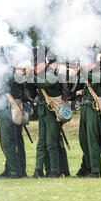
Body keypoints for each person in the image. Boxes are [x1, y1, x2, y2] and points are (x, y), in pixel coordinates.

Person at [75, 56, 101, 178]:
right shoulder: (86, 74)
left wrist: (84, 73)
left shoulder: (100, 72)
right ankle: (89, 168)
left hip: (95, 110)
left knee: (96, 140)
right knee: (84, 140)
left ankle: (96, 170)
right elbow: (75, 88)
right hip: (85, 108)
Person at [31, 48, 69, 178]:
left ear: (42, 63)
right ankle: (38, 170)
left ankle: (55, 170)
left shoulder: (50, 73)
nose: (34, 67)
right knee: (41, 142)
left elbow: (46, 84)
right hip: (42, 111)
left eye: (35, 65)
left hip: (52, 112)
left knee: (51, 142)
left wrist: (31, 76)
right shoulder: (39, 74)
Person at [0, 74, 27, 179]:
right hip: (6, 108)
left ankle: (16, 170)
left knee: (8, 142)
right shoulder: (12, 71)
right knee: (11, 140)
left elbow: (3, 86)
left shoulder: (12, 72)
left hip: (10, 108)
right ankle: (11, 168)